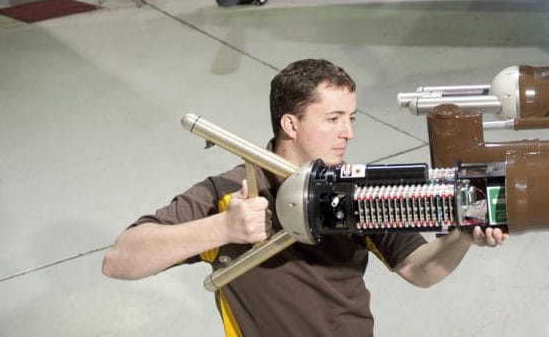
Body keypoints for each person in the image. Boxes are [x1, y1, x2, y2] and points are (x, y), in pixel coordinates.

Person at [102, 58, 506, 337]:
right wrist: (223, 227)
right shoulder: (230, 193)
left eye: (351, 118)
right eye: (333, 119)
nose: (348, 132)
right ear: (290, 124)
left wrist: (462, 237)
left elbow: (419, 271)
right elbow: (119, 260)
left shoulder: (357, 189)